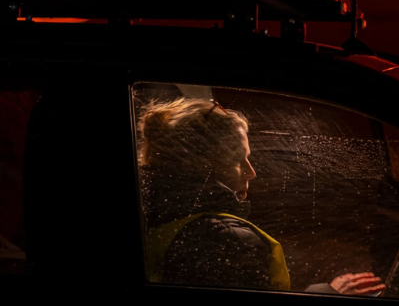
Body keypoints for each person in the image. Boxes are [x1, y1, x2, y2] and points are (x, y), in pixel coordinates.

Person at [137, 96, 385, 295]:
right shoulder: (224, 240)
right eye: (237, 159)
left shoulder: (156, 215)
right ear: (199, 166)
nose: (251, 172)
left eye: (248, 158)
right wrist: (329, 294)